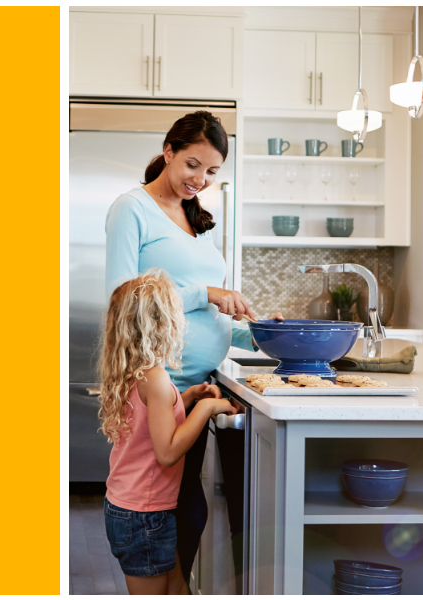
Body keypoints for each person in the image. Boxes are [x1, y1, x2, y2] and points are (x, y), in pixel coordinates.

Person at [105, 110, 278, 589]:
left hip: (196, 389)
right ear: (169, 152)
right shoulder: (132, 209)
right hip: (163, 388)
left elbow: (209, 314)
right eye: (192, 165)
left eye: (212, 171)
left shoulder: (197, 218)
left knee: (185, 516)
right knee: (167, 515)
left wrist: (256, 332)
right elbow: (122, 304)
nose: (199, 179)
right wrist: (207, 293)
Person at [99, 270, 238, 595]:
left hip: (133, 508)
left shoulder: (138, 373)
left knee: (177, 588)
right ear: (162, 324)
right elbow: (167, 451)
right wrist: (205, 409)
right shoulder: (157, 379)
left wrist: (188, 398)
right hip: (143, 516)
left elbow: (148, 422)